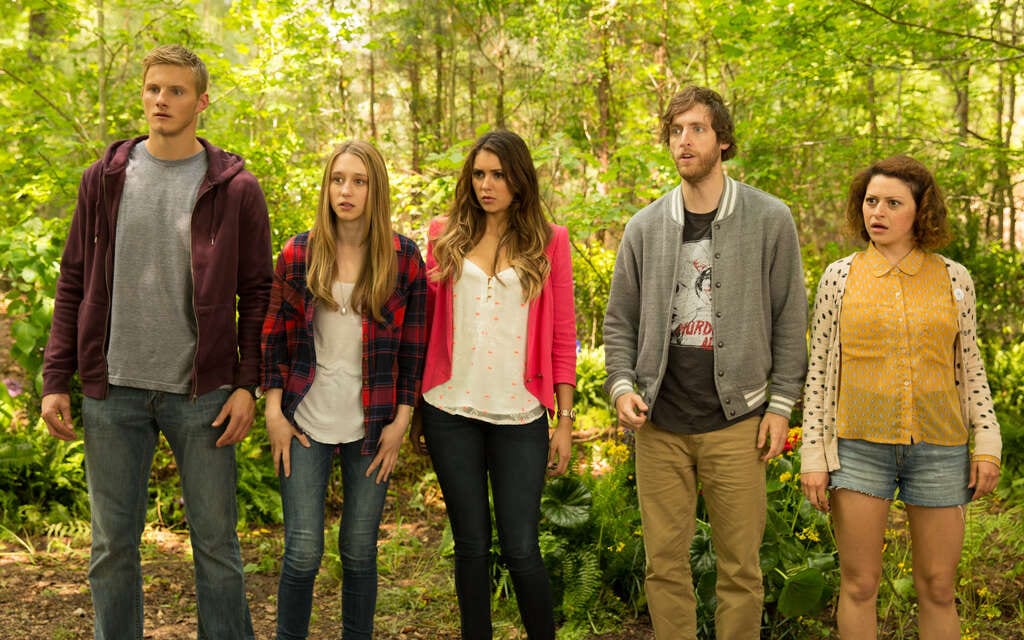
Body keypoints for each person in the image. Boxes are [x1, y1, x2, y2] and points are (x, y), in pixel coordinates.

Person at [39, 44, 270, 639]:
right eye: (152, 89)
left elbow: (257, 293)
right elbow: (73, 280)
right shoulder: (104, 180)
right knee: (111, 546)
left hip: (203, 393)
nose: (161, 100)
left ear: (202, 102)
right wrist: (55, 379)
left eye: (175, 91)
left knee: (216, 546)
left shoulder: (236, 189)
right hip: (112, 389)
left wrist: (246, 385)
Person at [602, 85, 808, 639]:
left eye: (697, 129)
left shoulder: (769, 219)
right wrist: (622, 385)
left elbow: (790, 319)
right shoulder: (644, 227)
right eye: (675, 131)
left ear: (723, 140)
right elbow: (619, 321)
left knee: (740, 570)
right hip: (659, 425)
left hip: (737, 423)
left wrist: (780, 406)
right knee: (663, 566)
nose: (684, 141)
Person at [800, 155, 1001, 639]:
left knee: (938, 587)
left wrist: (987, 442)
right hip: (857, 448)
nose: (878, 212)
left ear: (920, 211)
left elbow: (971, 365)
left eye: (893, 203)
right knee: (859, 584)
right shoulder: (839, 278)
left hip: (941, 450)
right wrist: (813, 454)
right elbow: (819, 370)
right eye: (871, 201)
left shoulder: (954, 278)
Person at [408, 130, 577, 640]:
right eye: (479, 174)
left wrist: (564, 421)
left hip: (520, 414)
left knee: (522, 547)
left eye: (499, 175)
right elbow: (423, 327)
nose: (487, 185)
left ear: (519, 179)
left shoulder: (550, 241)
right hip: (449, 409)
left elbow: (563, 334)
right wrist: (413, 409)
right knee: (471, 546)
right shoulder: (444, 235)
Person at [259, 140, 427, 640]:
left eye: (358, 181)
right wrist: (273, 413)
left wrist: (402, 420)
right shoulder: (298, 253)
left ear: (376, 189)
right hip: (303, 420)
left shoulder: (403, 258)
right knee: (302, 551)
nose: (345, 191)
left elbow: (413, 349)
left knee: (358, 550)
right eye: (337, 180)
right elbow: (273, 339)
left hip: (373, 424)